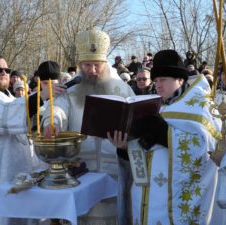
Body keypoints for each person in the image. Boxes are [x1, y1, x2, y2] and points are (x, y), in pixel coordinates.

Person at [108, 49, 221, 225]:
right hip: (146, 196)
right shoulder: (156, 104)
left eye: (163, 80)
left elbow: (208, 148)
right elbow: (146, 150)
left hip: (173, 201)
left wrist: (164, 134)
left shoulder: (199, 105)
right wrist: (124, 148)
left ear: (180, 79)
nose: (158, 85)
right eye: (156, 80)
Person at [41, 29, 135, 225]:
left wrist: (126, 142)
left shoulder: (123, 90)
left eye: (97, 65)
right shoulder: (71, 91)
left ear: (105, 64)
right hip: (80, 171)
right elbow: (57, 110)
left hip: (114, 170)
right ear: (80, 65)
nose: (92, 70)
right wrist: (52, 123)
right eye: (87, 65)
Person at [0, 53, 66, 225]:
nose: (4, 73)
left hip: (21, 176)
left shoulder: (10, 98)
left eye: (6, 70)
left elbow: (24, 118)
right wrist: (40, 96)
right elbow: (3, 116)